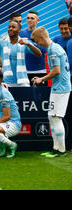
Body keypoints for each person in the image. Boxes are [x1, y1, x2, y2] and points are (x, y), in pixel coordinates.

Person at [31, 27, 71, 157]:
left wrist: (42, 79)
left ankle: (60, 150)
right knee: (52, 117)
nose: (37, 44)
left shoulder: (53, 49)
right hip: (59, 87)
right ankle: (56, 148)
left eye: (37, 41)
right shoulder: (55, 47)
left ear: (42, 37)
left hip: (61, 88)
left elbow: (56, 71)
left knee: (56, 117)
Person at [0, 21, 42, 87]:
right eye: (9, 27)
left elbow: (39, 54)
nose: (10, 29)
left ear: (19, 30)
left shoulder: (24, 42)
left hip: (22, 81)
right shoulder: (2, 42)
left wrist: (28, 44)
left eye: (13, 27)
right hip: (6, 82)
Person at [19, 10, 47, 85]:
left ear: (37, 20)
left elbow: (44, 50)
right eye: (28, 18)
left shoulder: (42, 32)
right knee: (26, 96)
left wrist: (30, 44)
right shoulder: (21, 33)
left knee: (41, 96)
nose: (29, 20)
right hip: (24, 71)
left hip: (40, 71)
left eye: (32, 18)